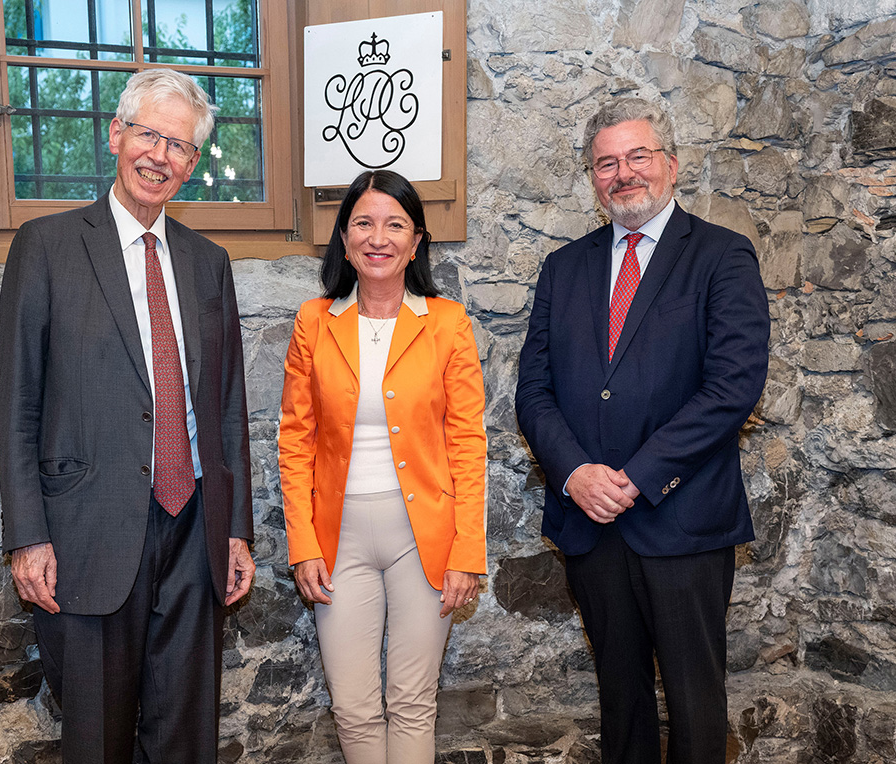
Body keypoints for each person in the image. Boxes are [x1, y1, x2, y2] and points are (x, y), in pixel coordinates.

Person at [0, 68, 255, 764]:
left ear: (193, 164)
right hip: (88, 535)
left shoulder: (209, 262)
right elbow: (18, 403)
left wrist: (235, 530)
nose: (160, 156)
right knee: (97, 740)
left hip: (195, 529)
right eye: (148, 134)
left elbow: (229, 407)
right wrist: (27, 536)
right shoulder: (46, 248)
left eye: (179, 145)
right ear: (116, 134)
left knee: (184, 737)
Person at [515, 97, 770, 764]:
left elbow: (732, 388)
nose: (623, 173)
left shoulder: (721, 257)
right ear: (593, 177)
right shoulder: (562, 270)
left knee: (694, 705)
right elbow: (534, 394)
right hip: (591, 526)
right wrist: (574, 474)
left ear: (671, 165)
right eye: (607, 163)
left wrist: (638, 476)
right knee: (619, 702)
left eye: (637, 157)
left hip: (683, 519)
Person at [278, 170, 487, 764]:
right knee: (354, 706)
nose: (379, 237)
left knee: (413, 700)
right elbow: (295, 440)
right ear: (343, 237)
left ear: (416, 241)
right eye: (364, 223)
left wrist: (468, 550)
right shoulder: (313, 322)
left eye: (395, 224)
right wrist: (303, 545)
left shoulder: (448, 323)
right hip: (335, 539)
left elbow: (467, 442)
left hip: (425, 538)